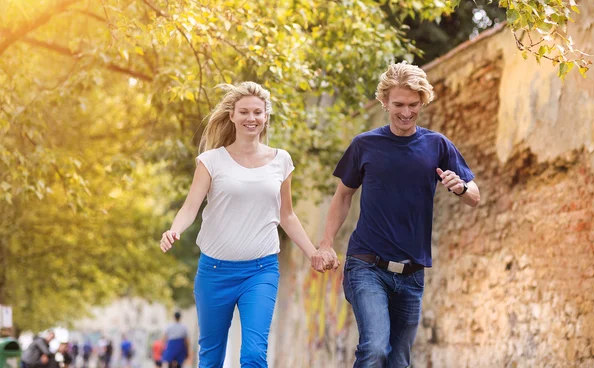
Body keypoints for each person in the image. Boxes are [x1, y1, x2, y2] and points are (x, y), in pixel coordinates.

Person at [315, 62, 480, 367]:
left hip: (412, 273)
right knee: (375, 348)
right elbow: (343, 195)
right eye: (398, 105)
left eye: (413, 105)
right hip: (367, 266)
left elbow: (474, 196)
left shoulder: (437, 145)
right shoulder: (365, 145)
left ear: (423, 102)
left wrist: (459, 187)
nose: (406, 113)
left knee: (399, 361)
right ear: (385, 102)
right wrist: (325, 243)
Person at [159, 82, 333, 367]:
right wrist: (174, 229)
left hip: (260, 270)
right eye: (244, 112)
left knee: (253, 354)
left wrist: (312, 252)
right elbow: (191, 207)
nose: (251, 118)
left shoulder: (281, 161)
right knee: (211, 356)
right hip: (214, 271)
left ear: (266, 116)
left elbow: (287, 216)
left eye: (257, 112)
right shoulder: (211, 161)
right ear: (232, 116)